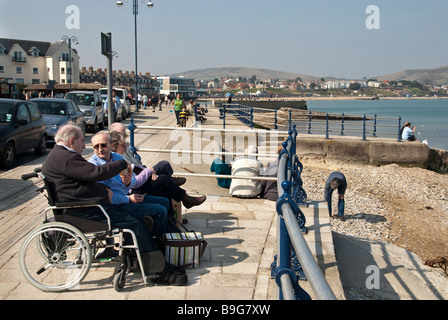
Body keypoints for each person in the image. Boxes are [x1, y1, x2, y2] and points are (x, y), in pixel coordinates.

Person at [41, 125, 178, 281]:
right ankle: (153, 267)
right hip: (85, 212)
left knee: (149, 210)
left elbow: (88, 179)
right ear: (72, 141)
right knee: (135, 221)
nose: (83, 145)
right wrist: (121, 165)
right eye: (81, 141)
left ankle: (149, 253)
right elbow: (96, 173)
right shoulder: (67, 157)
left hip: (86, 206)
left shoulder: (60, 155)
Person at [88, 132, 170, 238]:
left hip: (127, 196)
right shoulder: (94, 166)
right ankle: (156, 242)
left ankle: (157, 235)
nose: (100, 149)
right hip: (116, 205)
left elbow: (129, 182)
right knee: (160, 210)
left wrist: (128, 182)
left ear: (111, 145)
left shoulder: (117, 157)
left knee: (164, 201)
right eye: (96, 146)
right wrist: (129, 199)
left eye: (103, 145)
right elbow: (107, 196)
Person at [110, 131, 206, 212]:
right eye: (123, 145)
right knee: (164, 178)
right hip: (134, 190)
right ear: (114, 146)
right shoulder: (118, 161)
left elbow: (136, 170)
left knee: (165, 185)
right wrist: (149, 171)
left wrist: (150, 172)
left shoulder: (120, 157)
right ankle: (184, 197)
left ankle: (172, 221)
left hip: (138, 181)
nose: (126, 147)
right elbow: (133, 183)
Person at [108, 122, 186, 186]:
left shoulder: (124, 148)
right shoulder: (116, 157)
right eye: (122, 135)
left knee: (164, 168)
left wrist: (147, 169)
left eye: (124, 135)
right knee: (164, 172)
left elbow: (136, 165)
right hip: (138, 178)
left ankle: (176, 187)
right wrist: (148, 171)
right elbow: (132, 176)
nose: (124, 138)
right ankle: (176, 186)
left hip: (140, 172)